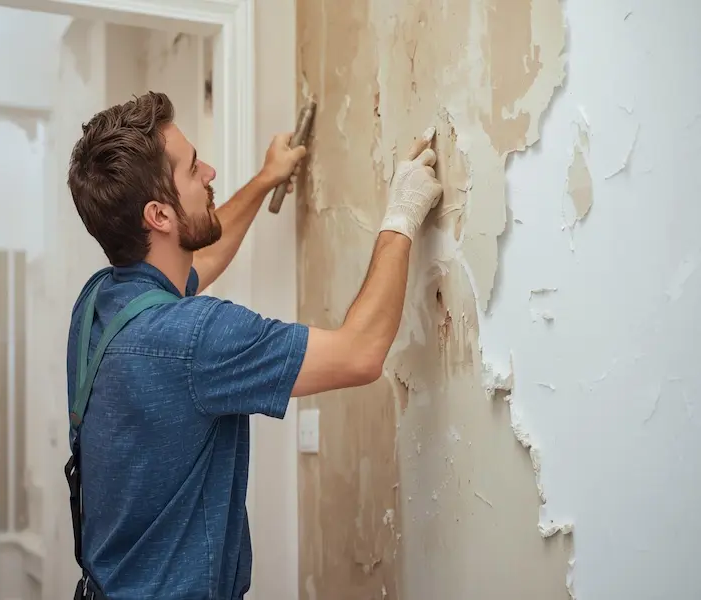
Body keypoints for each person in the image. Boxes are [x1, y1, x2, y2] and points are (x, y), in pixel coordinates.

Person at [65, 91, 442, 600]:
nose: (211, 173)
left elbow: (198, 261)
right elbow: (361, 352)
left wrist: (267, 178)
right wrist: (401, 215)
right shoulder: (194, 338)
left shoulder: (100, 304)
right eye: (195, 168)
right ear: (158, 215)